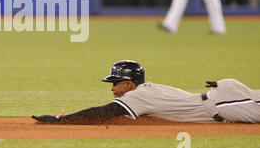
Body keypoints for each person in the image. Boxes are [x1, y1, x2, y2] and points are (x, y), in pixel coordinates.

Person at [32, 60, 260, 124]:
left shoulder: (139, 96)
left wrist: (61, 120)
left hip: (224, 103)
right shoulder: (146, 93)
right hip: (224, 99)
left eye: (116, 83)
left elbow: (102, 113)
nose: (112, 88)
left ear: (130, 83)